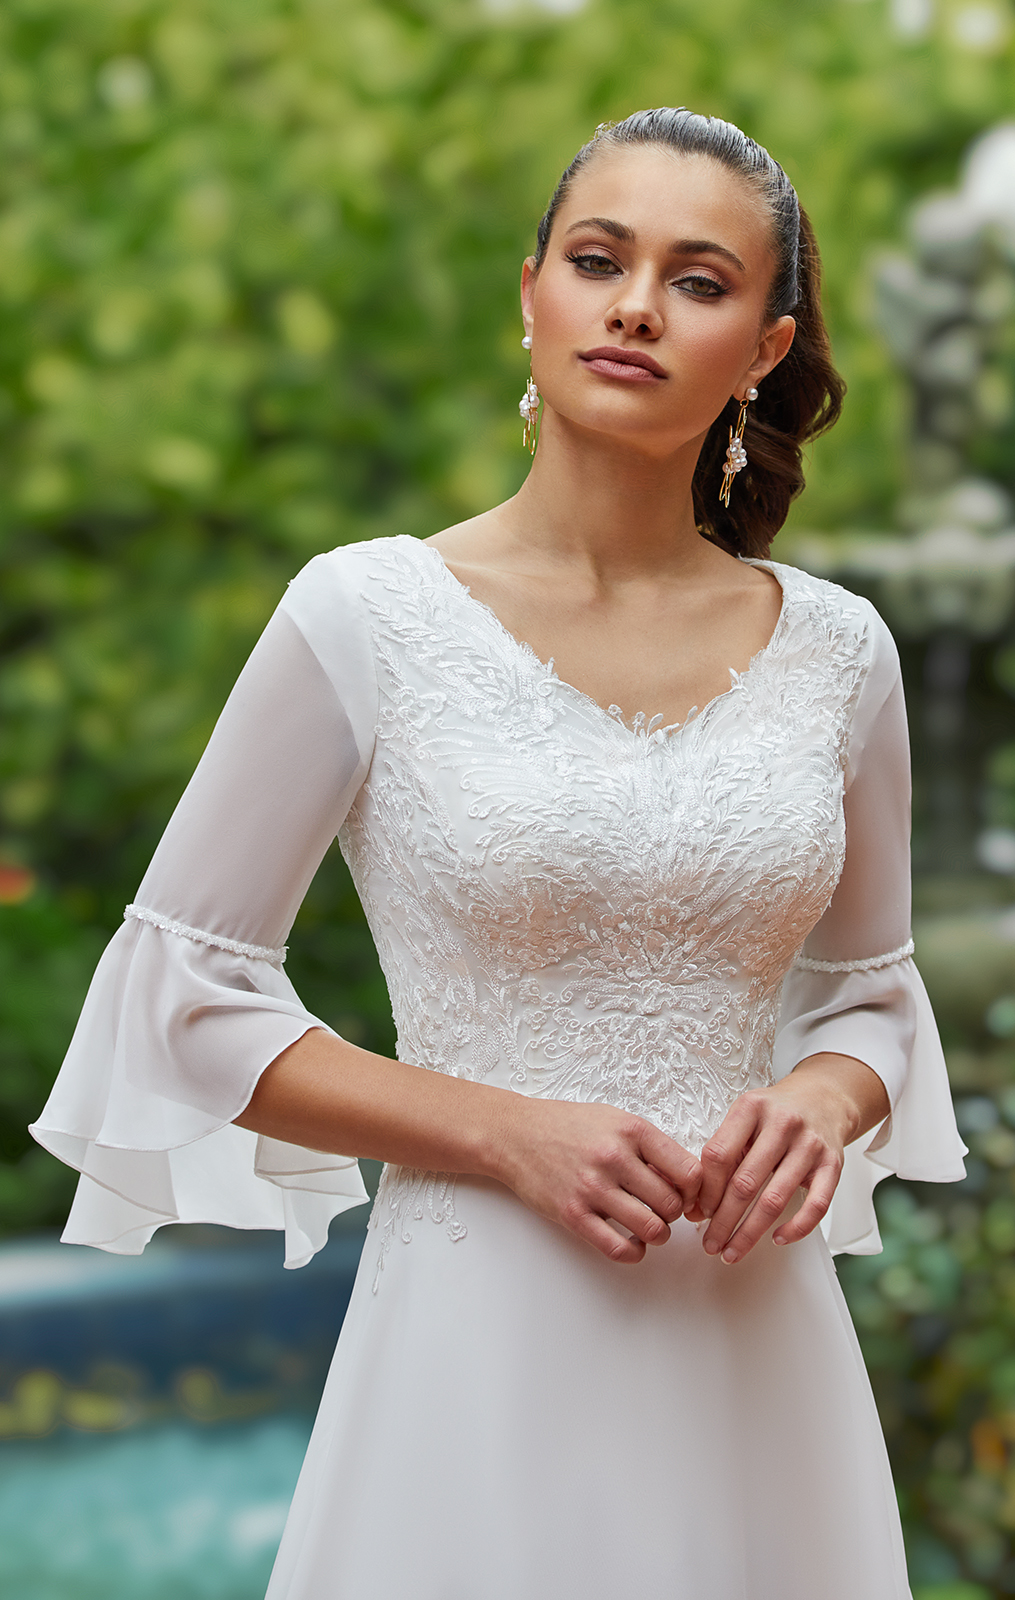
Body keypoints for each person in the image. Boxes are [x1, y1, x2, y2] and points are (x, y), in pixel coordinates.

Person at [32, 108, 966, 1598]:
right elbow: (181, 998)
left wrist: (822, 1093)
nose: (638, 305)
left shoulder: (842, 652)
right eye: (600, 260)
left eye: (699, 279)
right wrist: (502, 1130)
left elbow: (872, 995)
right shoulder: (362, 616)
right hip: (479, 1331)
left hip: (757, 1345)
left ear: (770, 346)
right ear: (531, 293)